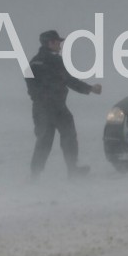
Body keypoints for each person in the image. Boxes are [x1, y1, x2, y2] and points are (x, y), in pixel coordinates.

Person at [26, 30, 102, 179]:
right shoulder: (55, 61)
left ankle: (35, 174)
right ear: (50, 43)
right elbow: (69, 80)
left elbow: (31, 87)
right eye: (58, 42)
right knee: (68, 137)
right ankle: (72, 170)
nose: (60, 46)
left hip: (41, 108)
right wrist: (90, 89)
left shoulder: (33, 62)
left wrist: (40, 100)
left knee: (44, 141)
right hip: (56, 108)